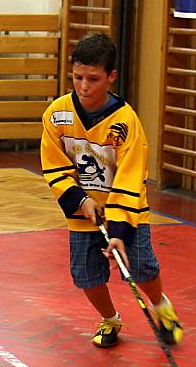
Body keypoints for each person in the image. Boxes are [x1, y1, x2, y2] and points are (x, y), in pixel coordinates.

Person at [40, 33, 184, 348]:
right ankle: (110, 319)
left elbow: (130, 180)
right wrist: (81, 200)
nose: (84, 86)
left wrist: (118, 229)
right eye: (77, 77)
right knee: (86, 276)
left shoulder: (126, 123)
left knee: (142, 269)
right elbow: (54, 167)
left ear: (111, 76)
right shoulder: (56, 115)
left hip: (126, 212)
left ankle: (161, 307)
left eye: (93, 79)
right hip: (84, 212)